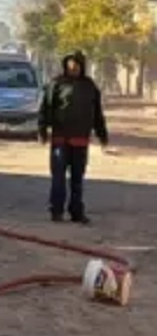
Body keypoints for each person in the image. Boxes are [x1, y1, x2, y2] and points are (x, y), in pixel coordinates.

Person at [39, 51, 110, 224]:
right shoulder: (56, 84)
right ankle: (56, 211)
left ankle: (76, 212)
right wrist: (43, 129)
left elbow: (97, 114)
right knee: (58, 178)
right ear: (66, 67)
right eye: (70, 66)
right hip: (60, 140)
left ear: (81, 67)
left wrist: (102, 134)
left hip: (80, 140)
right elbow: (46, 108)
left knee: (77, 178)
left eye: (76, 66)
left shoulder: (89, 87)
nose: (73, 69)